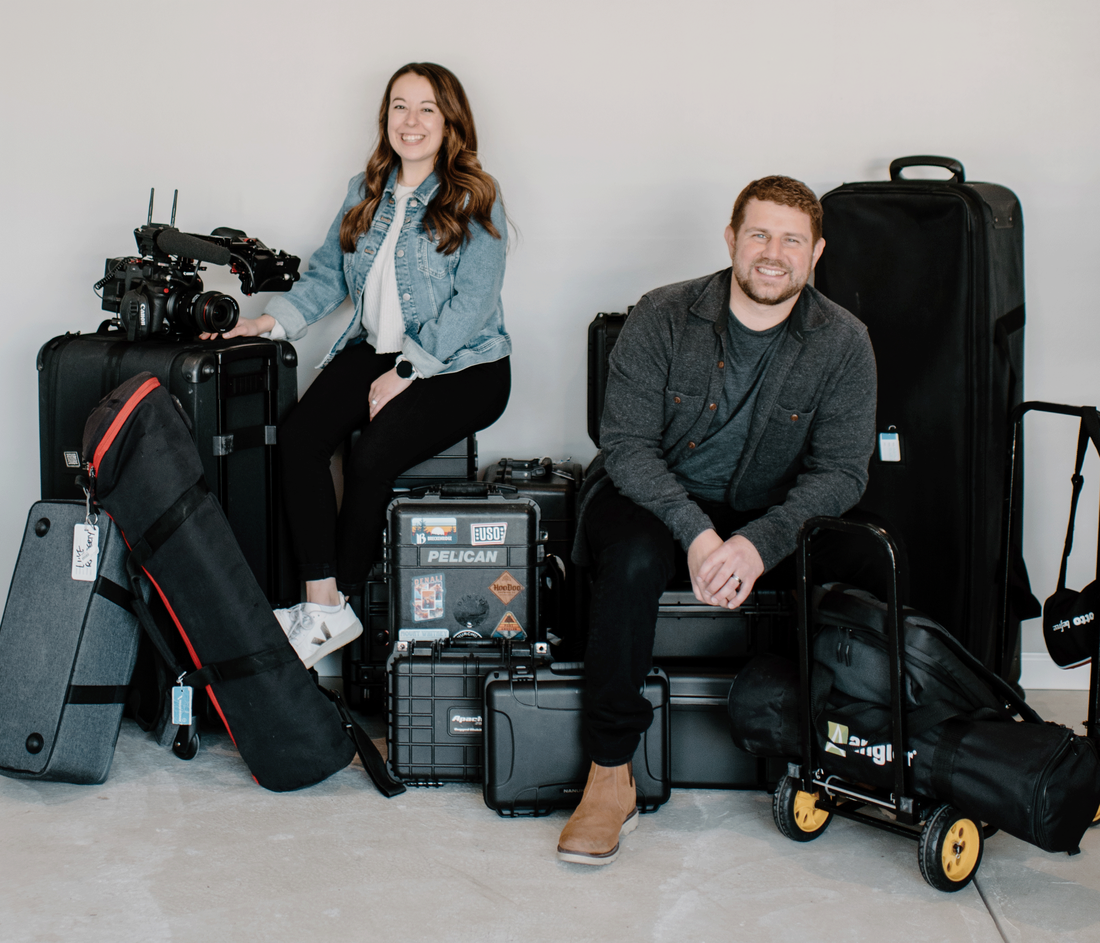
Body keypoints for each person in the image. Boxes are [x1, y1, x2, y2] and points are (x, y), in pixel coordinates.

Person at [559, 176, 877, 865]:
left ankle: (824, 741)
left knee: (859, 554)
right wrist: (699, 535)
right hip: (649, 494)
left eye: (792, 240)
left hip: (764, 509)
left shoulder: (845, 343)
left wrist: (759, 545)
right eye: (759, 234)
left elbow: (842, 472)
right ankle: (610, 772)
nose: (773, 252)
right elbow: (627, 445)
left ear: (816, 252)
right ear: (731, 238)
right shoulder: (664, 313)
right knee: (638, 556)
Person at [213, 63, 511, 669]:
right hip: (376, 349)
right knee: (298, 439)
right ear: (386, 119)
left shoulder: (475, 196)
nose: (412, 121)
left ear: (451, 120)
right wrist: (270, 322)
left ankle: (338, 601)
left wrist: (407, 372)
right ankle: (322, 604)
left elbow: (473, 305)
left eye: (427, 108)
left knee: (371, 455)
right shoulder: (365, 189)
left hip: (464, 366)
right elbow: (326, 274)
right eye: (399, 107)